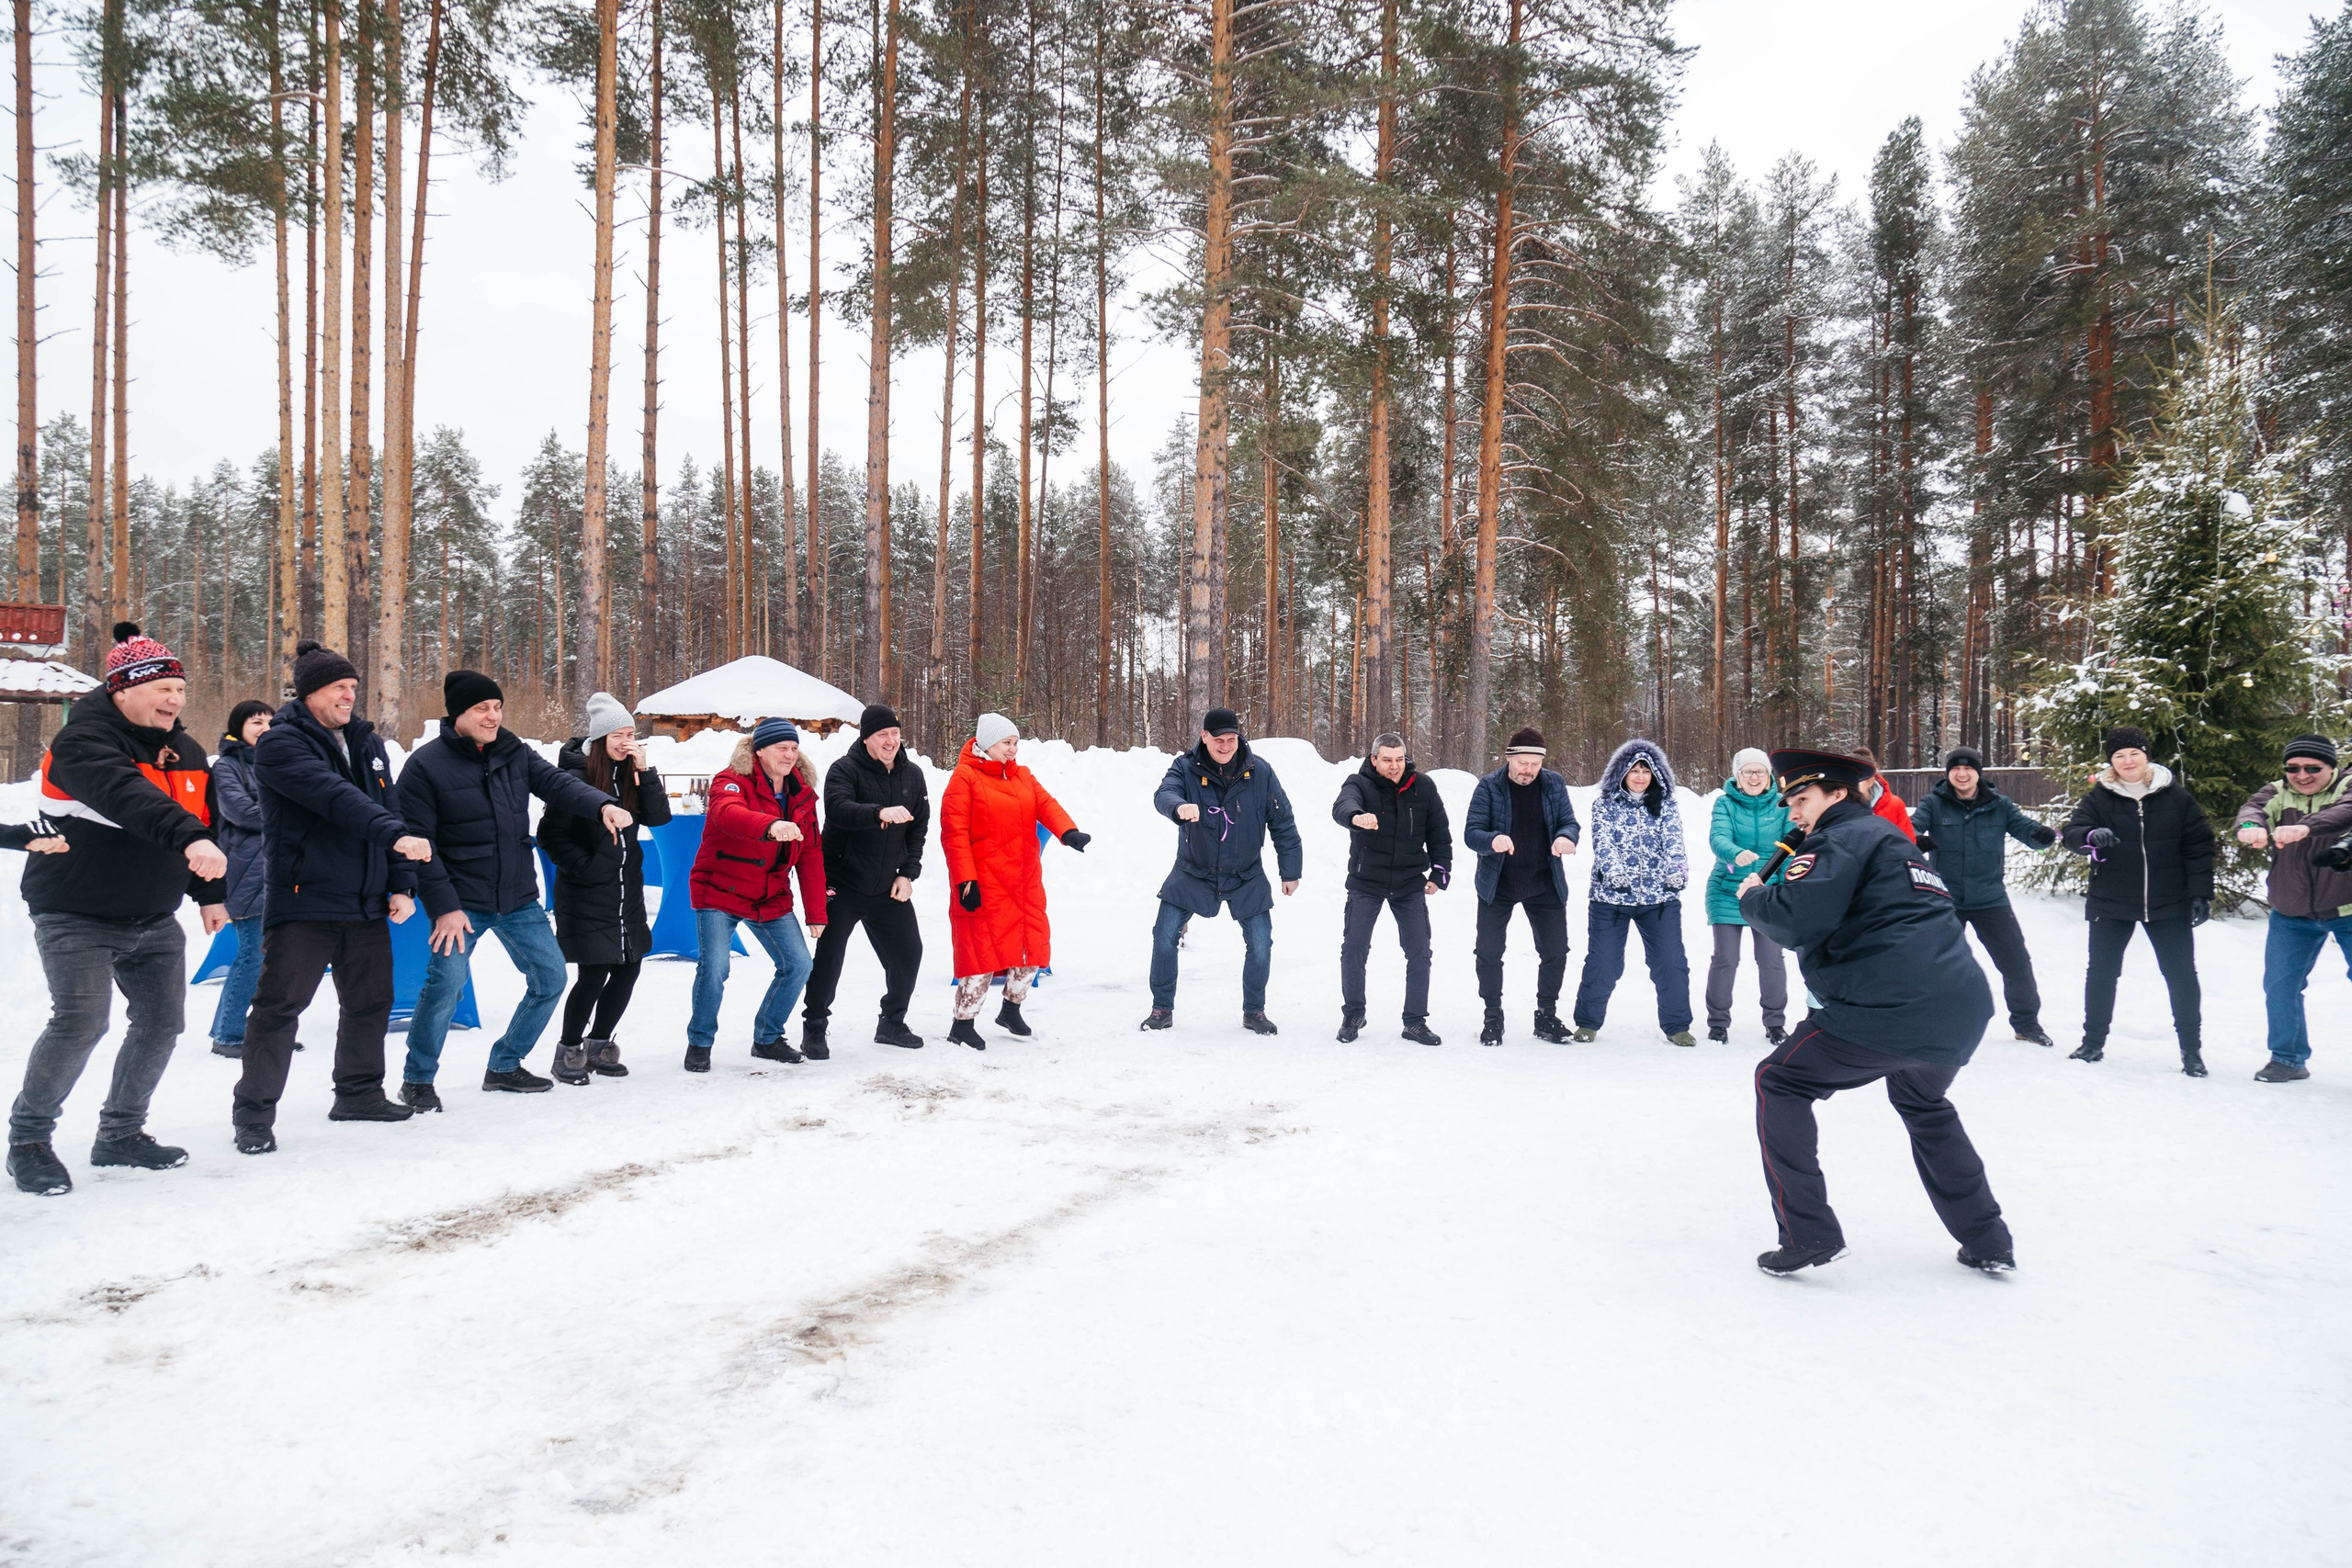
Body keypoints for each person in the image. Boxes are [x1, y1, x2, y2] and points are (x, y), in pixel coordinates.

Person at [1740, 748, 2014, 1277]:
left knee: (1779, 1080)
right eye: (1789, 803)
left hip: (1885, 1009)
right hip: (1958, 1010)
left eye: (1801, 799)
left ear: (1838, 793)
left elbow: (1797, 919)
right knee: (1924, 1103)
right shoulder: (1895, 842)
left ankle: (1808, 1233)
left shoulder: (1839, 840)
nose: (1793, 813)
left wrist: (1756, 896)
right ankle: (1988, 1239)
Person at [7, 624, 225, 1197]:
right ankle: (28, 1141)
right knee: (81, 1021)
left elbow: (205, 815)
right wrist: (189, 839)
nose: (176, 700)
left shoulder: (186, 748)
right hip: (75, 910)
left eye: (180, 690)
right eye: (164, 689)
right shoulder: (81, 745)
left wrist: (209, 894)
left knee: (162, 1023)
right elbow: (133, 799)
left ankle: (121, 1134)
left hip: (152, 913)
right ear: (123, 689)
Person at [234, 640, 435, 1153]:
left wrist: (401, 882)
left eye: (352, 687)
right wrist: (393, 836)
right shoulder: (280, 745)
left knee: (371, 1001)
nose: (349, 696)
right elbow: (333, 797)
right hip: (305, 899)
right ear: (310, 694)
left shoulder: (367, 743)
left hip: (365, 898)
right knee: (279, 1007)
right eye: (338, 688)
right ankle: (254, 1116)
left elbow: (389, 805)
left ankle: (359, 1093)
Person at [396, 671, 628, 1106]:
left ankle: (505, 1064)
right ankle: (418, 1078)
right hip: (460, 902)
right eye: (482, 708)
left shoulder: (513, 751)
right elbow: (419, 846)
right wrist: (444, 906)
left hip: (517, 896)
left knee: (551, 977)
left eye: (497, 707)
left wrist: (602, 805)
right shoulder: (425, 767)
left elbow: (557, 784)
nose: (493, 715)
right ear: (458, 714)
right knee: (446, 985)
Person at [2060, 726, 2214, 1076]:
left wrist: (2200, 893)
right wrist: (2090, 836)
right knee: (2101, 973)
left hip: (2169, 900)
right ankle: (2093, 1043)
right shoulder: (2099, 798)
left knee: (2181, 975)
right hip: (2111, 899)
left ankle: (2191, 1051)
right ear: (2111, 762)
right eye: (2119, 756)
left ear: (2146, 755)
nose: (2128, 761)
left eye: (2134, 754)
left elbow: (2199, 845)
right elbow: (2072, 833)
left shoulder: (2175, 797)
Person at [1143, 706, 1303, 1033]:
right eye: (1219, 739)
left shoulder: (1260, 772)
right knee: (1164, 935)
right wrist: (1178, 806)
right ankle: (1161, 1008)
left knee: (1260, 943)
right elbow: (1163, 794)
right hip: (1193, 870)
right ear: (1204, 737)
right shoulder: (1185, 767)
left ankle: (1254, 1012)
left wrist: (1290, 871)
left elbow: (1282, 821)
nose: (1226, 746)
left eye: (1232, 739)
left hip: (1245, 874)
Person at [542, 693, 674, 1083]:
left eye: (630, 734)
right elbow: (550, 835)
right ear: (599, 739)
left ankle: (599, 1045)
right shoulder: (574, 779)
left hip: (625, 893)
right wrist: (587, 866)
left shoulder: (629, 774)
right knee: (594, 972)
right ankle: (568, 1051)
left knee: (628, 969)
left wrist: (645, 772)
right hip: (586, 893)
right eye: (617, 734)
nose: (625, 742)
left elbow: (659, 818)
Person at [940, 713, 1089, 1050]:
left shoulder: (1022, 776)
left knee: (1031, 950)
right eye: (1007, 743)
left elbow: (1045, 804)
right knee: (981, 956)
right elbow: (954, 834)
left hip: (1023, 882)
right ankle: (962, 1024)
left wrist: (1068, 832)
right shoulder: (964, 778)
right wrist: (965, 880)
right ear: (988, 744)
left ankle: (1011, 1010)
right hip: (984, 883)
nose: (1013, 749)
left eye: (1015, 743)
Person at [685, 716, 826, 1070]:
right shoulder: (730, 780)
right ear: (760, 750)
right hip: (720, 889)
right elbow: (726, 814)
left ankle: (768, 1037)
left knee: (798, 965)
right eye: (782, 747)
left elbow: (810, 854)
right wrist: (771, 825)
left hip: (769, 893)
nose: (790, 754)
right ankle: (700, 1043)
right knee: (715, 968)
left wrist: (816, 913)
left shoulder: (802, 793)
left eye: (794, 748)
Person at [1908, 746, 2060, 1048]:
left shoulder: (2000, 805)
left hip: (1990, 899)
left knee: (2016, 962)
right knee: (1935, 964)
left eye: (1968, 769)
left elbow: (2024, 828)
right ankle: (1928, 1024)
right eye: (1955, 769)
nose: (1962, 774)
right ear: (1948, 774)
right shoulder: (1934, 803)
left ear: (1979, 773)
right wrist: (1914, 840)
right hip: (1946, 900)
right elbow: (1910, 828)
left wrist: (2040, 836)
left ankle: (2026, 1024)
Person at [802, 704, 930, 1050]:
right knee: (830, 957)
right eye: (882, 735)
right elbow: (839, 809)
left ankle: (891, 1022)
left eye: (895, 734)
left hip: (888, 885)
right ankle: (814, 1026)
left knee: (908, 954)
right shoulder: (845, 770)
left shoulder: (912, 775)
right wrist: (879, 813)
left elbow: (918, 829)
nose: (891, 741)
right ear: (867, 738)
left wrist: (908, 874)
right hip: (843, 882)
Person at [2233, 733, 2352, 1084]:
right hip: (2291, 912)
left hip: (2347, 908)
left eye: (2313, 767)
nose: (2302, 774)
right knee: (2281, 986)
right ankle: (2287, 1058)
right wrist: (2251, 827)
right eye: (2293, 768)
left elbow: (2346, 813)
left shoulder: (2347, 788)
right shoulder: (2277, 792)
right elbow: (2252, 809)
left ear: (2331, 767)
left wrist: (2306, 827)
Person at [1572, 739, 1696, 1045]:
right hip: (1610, 899)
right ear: (1622, 773)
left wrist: (1677, 872)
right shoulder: (1605, 804)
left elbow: (1674, 841)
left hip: (1659, 900)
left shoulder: (1665, 804)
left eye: (1646, 770)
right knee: (1604, 964)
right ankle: (1587, 1022)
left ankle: (1677, 1026)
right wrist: (1613, 873)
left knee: (1670, 963)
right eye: (1634, 770)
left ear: (1655, 774)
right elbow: (1603, 843)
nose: (1640, 776)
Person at [1331, 732, 1452, 1045]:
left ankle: (1414, 1021)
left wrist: (1440, 871)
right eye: (1387, 760)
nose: (1394, 766)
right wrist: (1357, 817)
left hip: (1409, 882)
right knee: (1354, 949)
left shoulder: (1422, 787)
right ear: (1374, 760)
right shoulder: (1359, 784)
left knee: (1419, 952)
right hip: (1366, 881)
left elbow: (1439, 831)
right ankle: (1354, 1013)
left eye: (1399, 759)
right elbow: (1343, 806)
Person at [1464, 727, 1581, 1044]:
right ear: (1509, 758)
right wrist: (1493, 839)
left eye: (1535, 764)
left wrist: (1565, 837)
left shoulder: (1554, 784)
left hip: (1544, 881)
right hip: (1497, 883)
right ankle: (1493, 1014)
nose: (1528, 770)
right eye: (1522, 763)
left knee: (1555, 951)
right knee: (1488, 952)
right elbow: (1471, 833)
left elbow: (1570, 823)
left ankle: (1546, 1014)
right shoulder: (1489, 787)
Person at [1703, 747, 1790, 1045]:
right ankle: (1717, 1023)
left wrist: (1784, 881)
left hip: (1767, 893)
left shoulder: (1783, 805)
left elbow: (1791, 847)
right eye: (1748, 772)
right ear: (1737, 776)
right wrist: (1735, 854)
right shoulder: (1725, 803)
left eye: (1760, 771)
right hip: (1727, 889)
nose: (1754, 777)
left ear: (1769, 776)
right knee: (1725, 958)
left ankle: (1775, 1023)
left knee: (1771, 959)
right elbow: (1718, 837)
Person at [207, 699, 275, 1059]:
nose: (265, 729)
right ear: (238, 728)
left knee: (273, 958)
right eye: (256, 723)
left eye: (270, 723)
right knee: (252, 955)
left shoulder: (280, 763)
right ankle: (229, 1035)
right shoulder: (226, 767)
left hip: (279, 870)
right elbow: (241, 811)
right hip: (245, 869)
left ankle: (256, 1030)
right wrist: (286, 813)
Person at [1848, 747, 1918, 841]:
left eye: (1856, 777)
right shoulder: (1834, 806)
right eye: (1845, 776)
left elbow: (1907, 845)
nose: (1848, 782)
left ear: (1870, 781)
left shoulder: (1894, 805)